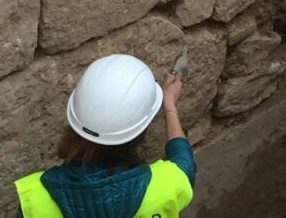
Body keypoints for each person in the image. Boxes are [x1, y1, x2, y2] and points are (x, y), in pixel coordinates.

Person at [15, 54, 195, 218]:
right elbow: (183, 158)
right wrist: (169, 105)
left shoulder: (35, 198)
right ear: (139, 133)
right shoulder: (166, 184)